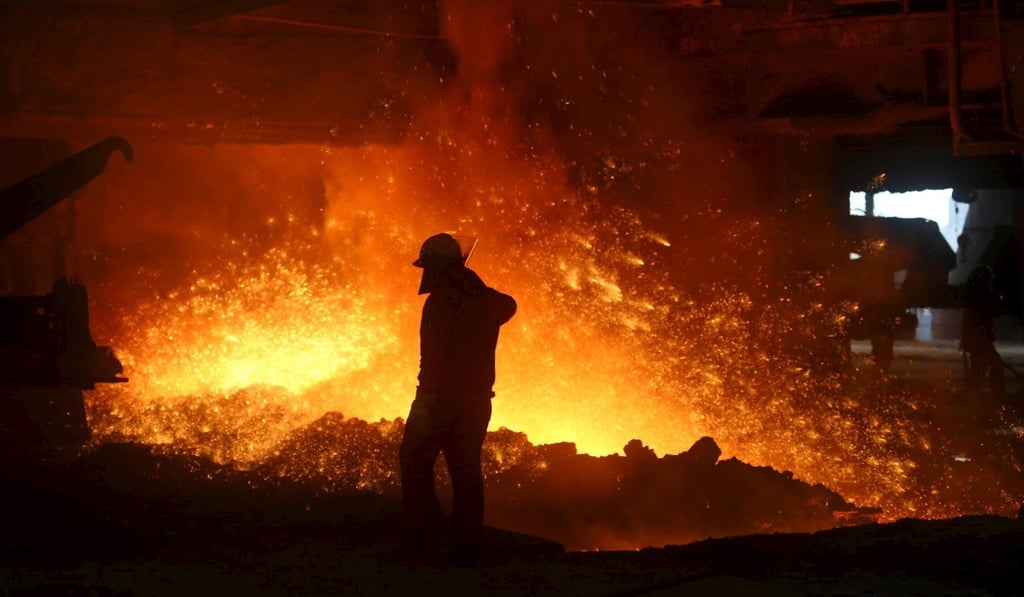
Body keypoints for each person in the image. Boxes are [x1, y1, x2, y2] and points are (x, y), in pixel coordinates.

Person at [399, 232, 517, 566]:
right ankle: (466, 547)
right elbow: (509, 304)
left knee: (413, 460)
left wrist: (424, 403)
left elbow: (431, 360)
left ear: (436, 266)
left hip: (439, 401)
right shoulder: (486, 300)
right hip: (477, 403)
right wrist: (476, 289)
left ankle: (424, 536)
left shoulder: (438, 304)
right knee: (465, 470)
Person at [961, 264, 1004, 398]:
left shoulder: (977, 298)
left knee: (980, 370)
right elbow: (974, 323)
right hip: (978, 342)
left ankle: (974, 397)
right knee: (992, 366)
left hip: (978, 341)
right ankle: (993, 396)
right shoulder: (978, 300)